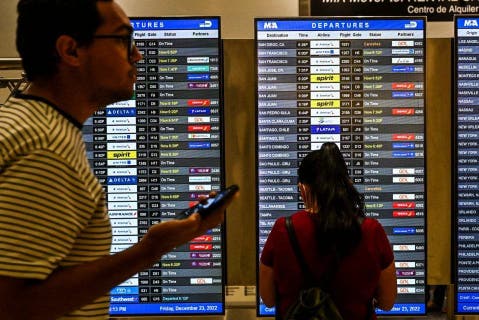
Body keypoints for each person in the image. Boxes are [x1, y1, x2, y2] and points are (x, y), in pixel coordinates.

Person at [0, 1, 236, 319]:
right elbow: (13, 305)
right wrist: (150, 249)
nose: (136, 55)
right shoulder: (47, 149)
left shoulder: (22, 121)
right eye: (123, 39)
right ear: (71, 51)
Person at [259, 142, 397, 319]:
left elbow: (268, 299)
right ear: (347, 185)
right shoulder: (371, 230)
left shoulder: (282, 229)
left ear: (303, 189)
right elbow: (387, 302)